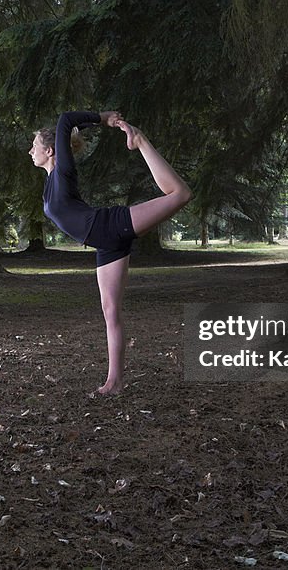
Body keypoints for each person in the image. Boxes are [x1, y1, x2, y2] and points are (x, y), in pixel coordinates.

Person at [29, 110, 192, 395]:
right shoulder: (49, 183)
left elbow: (66, 120)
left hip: (110, 225)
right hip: (104, 244)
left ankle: (140, 142)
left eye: (34, 146)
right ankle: (114, 382)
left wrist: (104, 118)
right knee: (110, 311)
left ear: (51, 149)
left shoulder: (63, 172)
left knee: (180, 194)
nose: (30, 151)